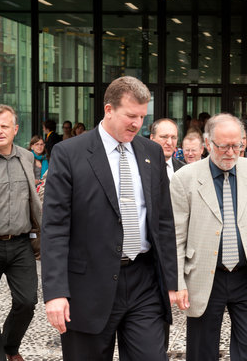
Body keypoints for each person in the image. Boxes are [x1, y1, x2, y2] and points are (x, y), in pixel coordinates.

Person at [41, 76, 178, 361]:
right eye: (130, 115)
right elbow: (55, 228)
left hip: (144, 281)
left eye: (142, 116)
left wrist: (172, 282)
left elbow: (163, 221)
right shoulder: (69, 154)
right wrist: (55, 292)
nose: (137, 124)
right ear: (108, 110)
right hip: (87, 286)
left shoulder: (151, 152)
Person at [170, 113, 247, 361]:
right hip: (205, 275)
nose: (231, 152)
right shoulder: (184, 178)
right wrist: (178, 283)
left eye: (237, 145)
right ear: (208, 144)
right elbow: (176, 236)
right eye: (223, 146)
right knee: (202, 351)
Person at [0, 104, 42, 361]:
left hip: (21, 244)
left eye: (4, 126)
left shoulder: (27, 158)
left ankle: (10, 345)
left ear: (15, 129)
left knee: (27, 302)